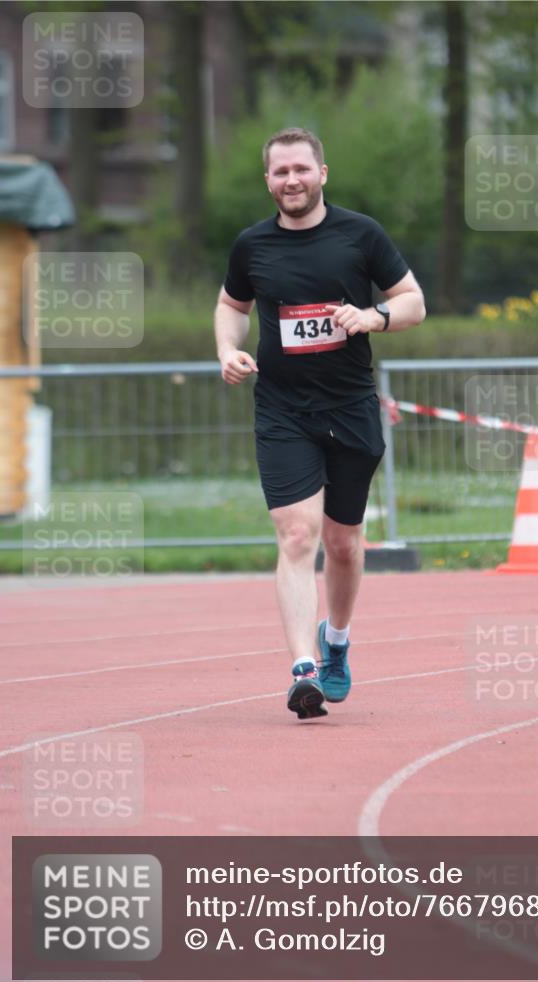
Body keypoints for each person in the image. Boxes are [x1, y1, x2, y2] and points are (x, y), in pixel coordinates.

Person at [214, 126, 425, 721]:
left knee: (344, 544)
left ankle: (336, 641)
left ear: (322, 173)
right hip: (282, 409)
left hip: (350, 406)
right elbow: (232, 305)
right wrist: (228, 351)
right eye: (280, 172)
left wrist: (372, 316)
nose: (291, 180)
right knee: (297, 535)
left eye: (301, 169)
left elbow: (414, 301)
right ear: (268, 182)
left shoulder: (361, 234)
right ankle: (303, 669)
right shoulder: (252, 245)